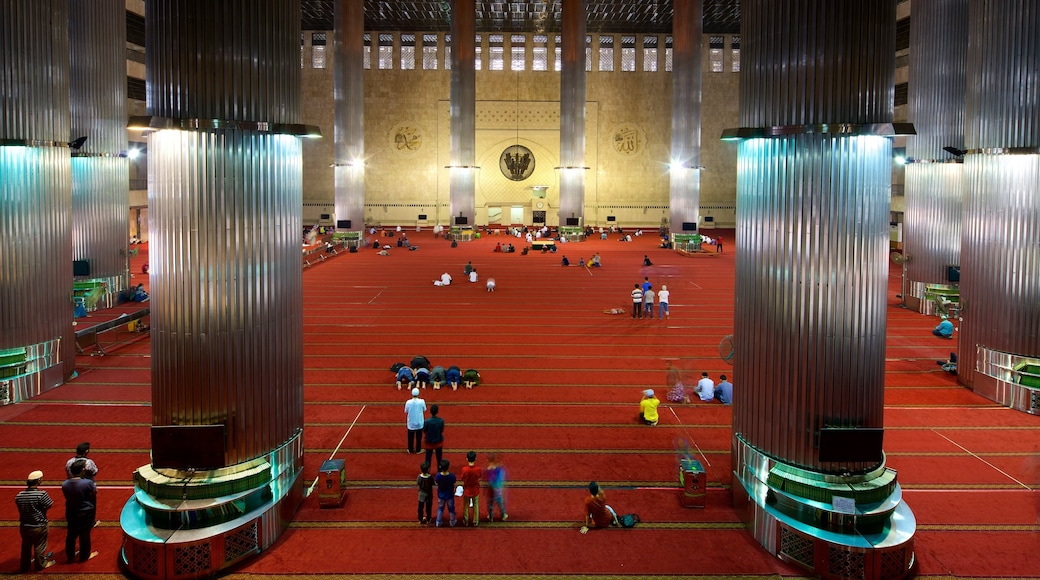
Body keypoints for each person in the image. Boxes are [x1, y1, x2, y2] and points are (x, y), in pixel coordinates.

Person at [15, 470, 55, 571]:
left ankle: (24, 566)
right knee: (39, 546)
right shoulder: (41, 494)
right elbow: (49, 504)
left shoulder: (19, 495)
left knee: (26, 547)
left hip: (24, 526)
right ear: (39, 481)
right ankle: (40, 565)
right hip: (39, 525)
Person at [62, 460, 98, 564]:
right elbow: (94, 492)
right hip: (85, 512)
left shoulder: (65, 484)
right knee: (84, 534)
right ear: (82, 470)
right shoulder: (88, 483)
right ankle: (84, 556)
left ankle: (70, 555)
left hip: (71, 511)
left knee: (71, 534)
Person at [460, 450, 483, 526]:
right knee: (476, 505)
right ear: (475, 458)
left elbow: (462, 478)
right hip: (475, 489)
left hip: (467, 490)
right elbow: (479, 476)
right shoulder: (478, 469)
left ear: (467, 459)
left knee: (466, 505)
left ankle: (466, 520)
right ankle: (475, 521)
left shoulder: (464, 469)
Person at [434, 459, 457, 527]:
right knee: (451, 509)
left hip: (441, 495)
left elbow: (436, 482)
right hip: (449, 495)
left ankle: (438, 522)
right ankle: (452, 522)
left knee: (440, 508)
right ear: (448, 467)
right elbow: (454, 481)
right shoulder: (451, 476)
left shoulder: (438, 476)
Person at [485, 453, 508, 522]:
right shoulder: (498, 470)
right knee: (500, 502)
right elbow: (501, 477)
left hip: (490, 489)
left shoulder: (487, 470)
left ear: (487, 460)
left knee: (490, 504)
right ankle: (503, 515)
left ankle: (491, 517)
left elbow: (487, 480)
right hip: (497, 489)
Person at [405, 388, 427, 454]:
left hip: (411, 422)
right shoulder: (422, 401)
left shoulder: (408, 402)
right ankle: (418, 450)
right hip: (419, 422)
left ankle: (410, 449)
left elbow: (406, 411)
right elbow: (424, 409)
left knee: (410, 437)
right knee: (418, 437)